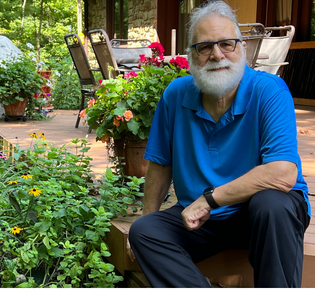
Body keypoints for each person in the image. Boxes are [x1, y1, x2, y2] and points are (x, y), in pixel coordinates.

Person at [127, 1, 311, 287]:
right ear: (190, 56)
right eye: (204, 47)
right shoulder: (175, 95)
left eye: (227, 44)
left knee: (271, 204)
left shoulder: (268, 91)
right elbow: (161, 163)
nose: (216, 54)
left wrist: (209, 199)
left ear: (243, 50)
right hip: (202, 221)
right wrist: (148, 216)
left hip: (261, 218)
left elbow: (283, 173)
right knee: (144, 231)